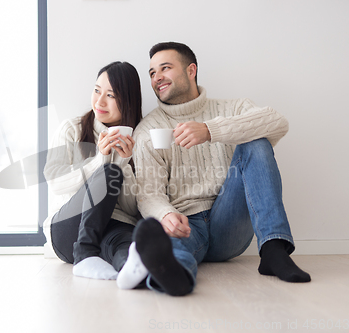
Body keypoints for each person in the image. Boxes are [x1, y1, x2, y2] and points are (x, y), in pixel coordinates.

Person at [121, 42, 310, 296]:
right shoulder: (148, 129)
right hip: (187, 223)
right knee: (170, 247)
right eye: (152, 73)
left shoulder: (232, 108)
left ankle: (274, 249)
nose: (157, 78)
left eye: (165, 68)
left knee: (256, 142)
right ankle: (176, 276)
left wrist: (211, 130)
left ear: (191, 70)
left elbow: (278, 123)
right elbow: (148, 192)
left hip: (230, 221)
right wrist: (166, 215)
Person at [42, 61, 143, 280]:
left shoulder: (140, 140)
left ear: (128, 101)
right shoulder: (72, 129)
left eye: (111, 95)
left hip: (112, 228)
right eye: (97, 90)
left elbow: (132, 209)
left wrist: (125, 161)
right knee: (109, 173)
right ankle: (85, 255)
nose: (99, 101)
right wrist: (100, 161)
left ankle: (132, 273)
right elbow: (55, 182)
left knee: (126, 244)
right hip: (68, 231)